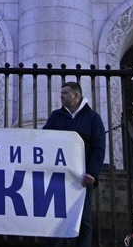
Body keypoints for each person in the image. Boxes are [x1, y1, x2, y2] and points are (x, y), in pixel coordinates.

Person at [43, 82, 106, 247]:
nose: (61, 95)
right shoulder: (56, 116)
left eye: (65, 93)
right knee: (55, 218)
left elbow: (98, 148)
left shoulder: (93, 118)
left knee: (83, 219)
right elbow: (44, 140)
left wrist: (92, 172)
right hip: (59, 176)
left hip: (83, 177)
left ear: (76, 96)